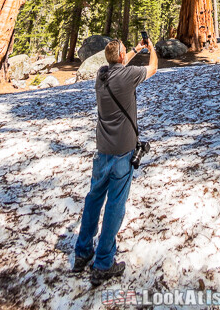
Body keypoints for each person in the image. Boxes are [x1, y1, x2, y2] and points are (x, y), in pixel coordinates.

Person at [72, 37, 158, 285]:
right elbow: (152, 68)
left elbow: (118, 62)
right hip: (122, 153)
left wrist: (134, 49)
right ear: (121, 58)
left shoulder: (101, 76)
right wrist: (150, 50)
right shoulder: (128, 76)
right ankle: (103, 263)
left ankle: (82, 252)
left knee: (93, 199)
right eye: (124, 55)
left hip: (102, 152)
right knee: (114, 207)